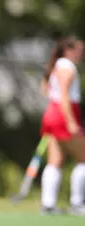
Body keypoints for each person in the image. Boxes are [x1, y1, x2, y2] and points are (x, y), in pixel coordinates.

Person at [40, 35, 85, 216]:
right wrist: (71, 121)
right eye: (79, 50)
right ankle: (77, 203)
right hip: (63, 114)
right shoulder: (67, 67)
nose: (81, 54)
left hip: (51, 113)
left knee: (55, 161)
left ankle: (48, 204)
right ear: (68, 50)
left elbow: (45, 89)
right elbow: (64, 96)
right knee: (83, 158)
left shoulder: (56, 66)